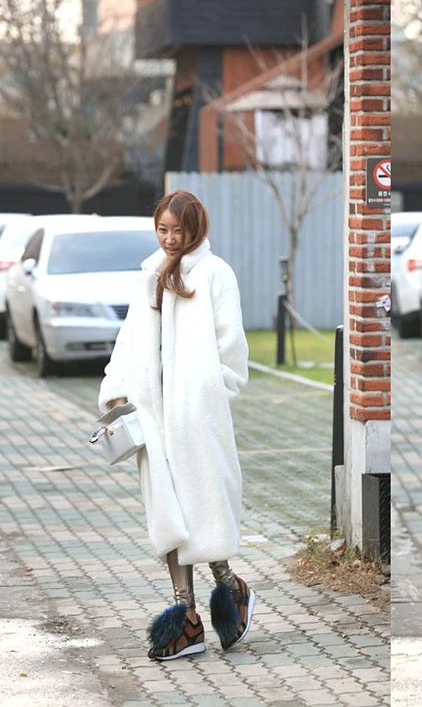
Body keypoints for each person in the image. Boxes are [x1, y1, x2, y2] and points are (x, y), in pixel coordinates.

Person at [98, 190, 255, 661]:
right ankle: (186, 616)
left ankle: (229, 586)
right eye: (162, 229)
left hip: (196, 414)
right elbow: (128, 340)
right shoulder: (149, 273)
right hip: (152, 412)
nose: (169, 238)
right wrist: (117, 389)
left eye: (178, 230)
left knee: (201, 504)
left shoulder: (215, 273)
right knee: (170, 512)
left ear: (195, 229)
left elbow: (232, 348)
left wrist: (210, 392)